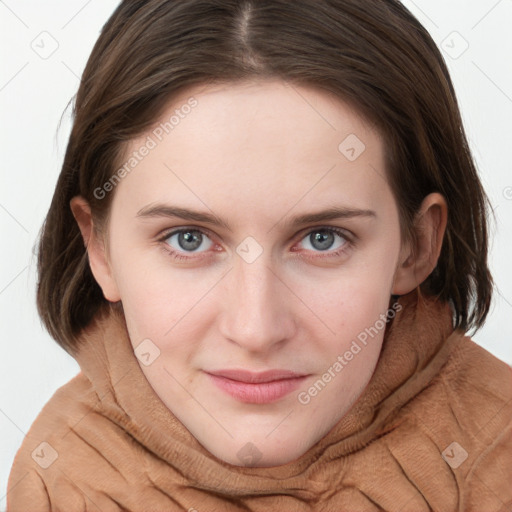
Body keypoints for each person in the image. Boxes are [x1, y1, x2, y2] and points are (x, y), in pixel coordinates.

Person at [7, 0, 512, 510]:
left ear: (416, 245)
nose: (255, 329)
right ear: (101, 249)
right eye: (188, 239)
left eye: (322, 238)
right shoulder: (57, 477)